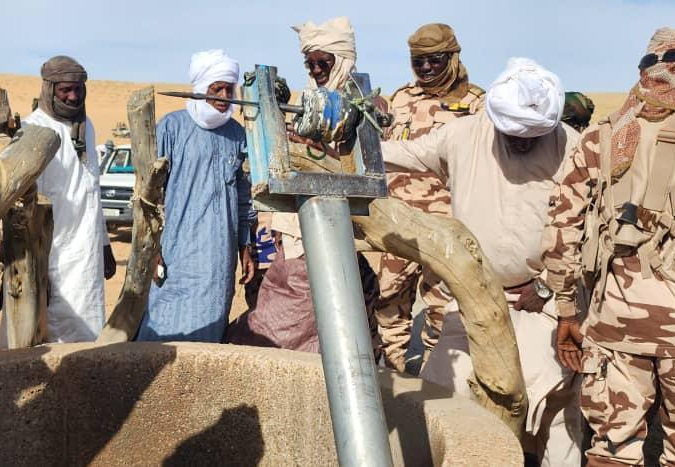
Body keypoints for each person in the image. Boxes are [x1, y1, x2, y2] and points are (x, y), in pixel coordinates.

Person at [382, 58, 581, 465]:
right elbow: (402, 154)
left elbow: (587, 228)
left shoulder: (571, 145)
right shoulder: (461, 136)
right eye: (514, 134)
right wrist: (346, 144)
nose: (523, 142)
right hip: (471, 297)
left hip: (542, 303)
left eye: (534, 136)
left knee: (555, 405)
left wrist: (546, 285)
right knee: (441, 395)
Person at [543, 26, 675, 466]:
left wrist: (567, 308)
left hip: (615, 325)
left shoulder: (606, 133)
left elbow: (561, 226)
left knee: (611, 451)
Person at [228, 17, 377, 353]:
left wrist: (312, 150)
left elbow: (359, 170)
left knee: (269, 333)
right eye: (309, 63)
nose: (315, 70)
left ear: (342, 59)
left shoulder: (360, 108)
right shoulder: (313, 101)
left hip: (323, 241)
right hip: (295, 238)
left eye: (323, 62)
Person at [375, 23, 484, 374]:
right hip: (398, 222)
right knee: (388, 303)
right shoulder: (402, 98)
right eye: (417, 61)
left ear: (452, 58)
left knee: (443, 311)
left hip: (446, 225)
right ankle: (395, 380)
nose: (424, 69)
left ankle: (437, 386)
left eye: (433, 60)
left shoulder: (476, 104)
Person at [138, 49, 255, 342]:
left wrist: (245, 246)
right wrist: (151, 249)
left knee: (209, 333)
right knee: (162, 333)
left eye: (230, 89)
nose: (225, 96)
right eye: (217, 89)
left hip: (219, 261)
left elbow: (244, 198)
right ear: (201, 89)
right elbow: (146, 194)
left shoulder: (238, 135)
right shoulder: (172, 127)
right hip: (175, 255)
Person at [21, 55, 115, 343]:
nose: (73, 96)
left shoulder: (88, 128)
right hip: (52, 255)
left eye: (79, 89)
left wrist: (105, 245)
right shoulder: (32, 130)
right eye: (65, 90)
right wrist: (34, 266)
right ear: (50, 89)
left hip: (86, 254)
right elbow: (25, 207)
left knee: (86, 331)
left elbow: (92, 192)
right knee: (46, 334)